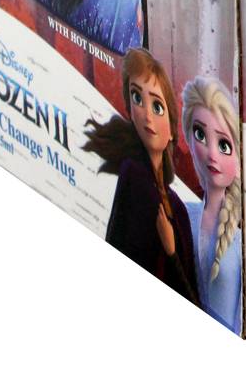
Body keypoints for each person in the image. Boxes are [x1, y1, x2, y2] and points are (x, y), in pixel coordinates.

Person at [83, 49, 199, 303]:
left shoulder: (178, 208)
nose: (146, 114)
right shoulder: (134, 177)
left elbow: (191, 294)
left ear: (172, 131)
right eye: (137, 98)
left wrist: (171, 251)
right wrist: (170, 252)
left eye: (157, 106)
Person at [182, 77, 243, 334]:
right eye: (200, 135)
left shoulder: (241, 241)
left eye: (224, 145)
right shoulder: (182, 213)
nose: (212, 154)